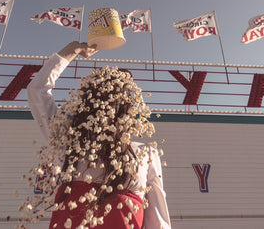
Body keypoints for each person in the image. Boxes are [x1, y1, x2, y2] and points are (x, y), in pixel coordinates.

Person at [25, 41, 171, 229]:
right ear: (129, 110)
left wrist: (72, 50)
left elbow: (37, 91)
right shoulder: (69, 142)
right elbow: (158, 220)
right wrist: (73, 50)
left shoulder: (145, 153)